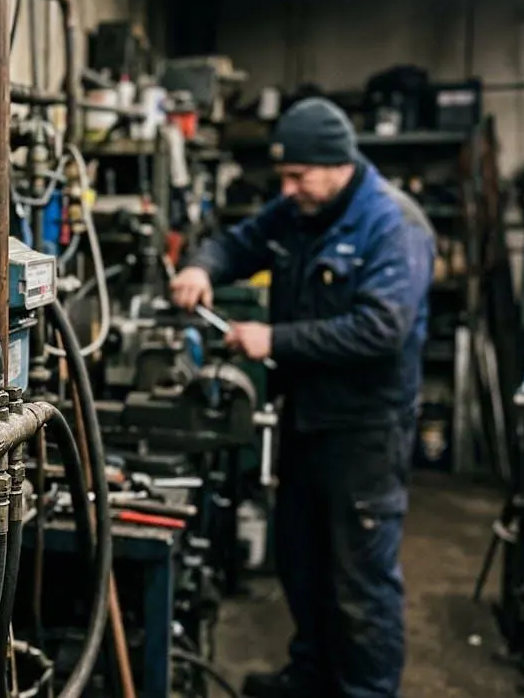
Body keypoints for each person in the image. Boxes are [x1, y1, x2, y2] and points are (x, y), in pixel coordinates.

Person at [171, 97, 434, 698]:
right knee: (303, 562)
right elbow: (240, 243)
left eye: (298, 176)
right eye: (283, 177)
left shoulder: (393, 225)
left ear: (340, 164)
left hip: (366, 431)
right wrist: (202, 267)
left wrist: (275, 340)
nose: (287, 190)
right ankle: (313, 679)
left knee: (360, 582)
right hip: (308, 419)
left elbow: (381, 329)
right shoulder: (298, 210)